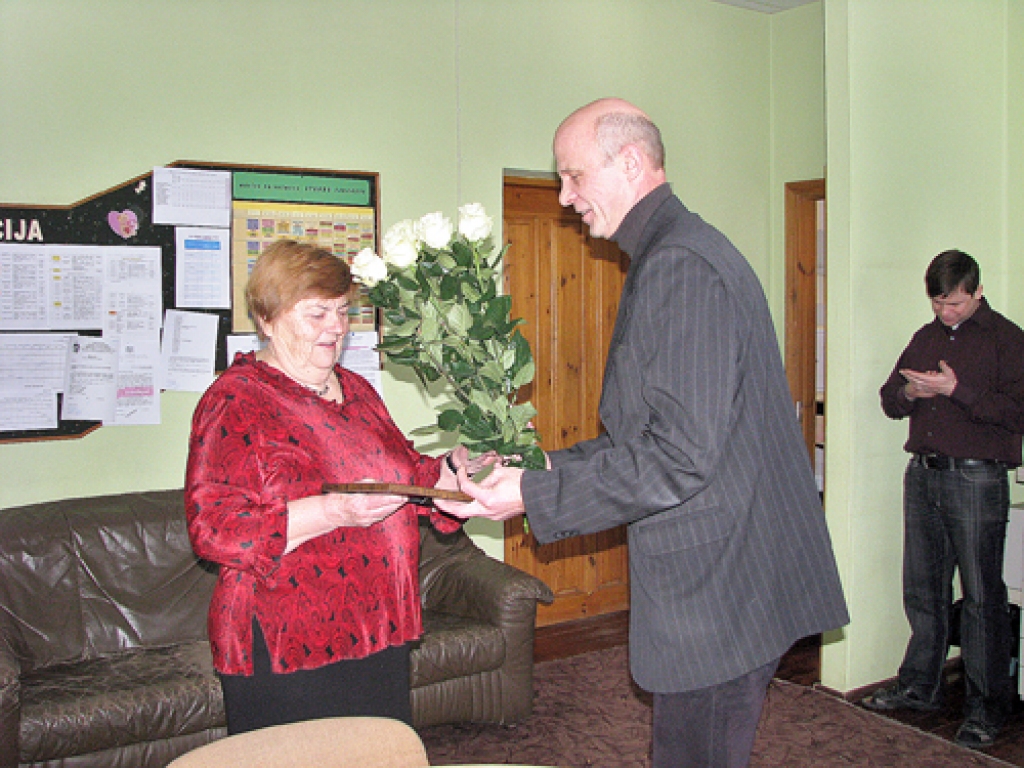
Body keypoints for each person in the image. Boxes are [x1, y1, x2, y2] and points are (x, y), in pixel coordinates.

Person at [437, 98, 849, 768]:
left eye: (573, 176)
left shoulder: (682, 265)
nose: (567, 198)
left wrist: (533, 497)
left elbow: (678, 458)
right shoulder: (671, 254)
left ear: (629, 161)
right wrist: (529, 465)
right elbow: (648, 435)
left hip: (720, 595)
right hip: (725, 584)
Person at [185, 239, 490, 734]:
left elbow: (404, 473)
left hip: (378, 624)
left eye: (344, 311)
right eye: (317, 313)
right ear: (267, 318)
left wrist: (450, 473)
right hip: (288, 641)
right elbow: (213, 528)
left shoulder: (358, 389)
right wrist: (333, 512)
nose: (337, 327)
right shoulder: (237, 400)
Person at [867, 249, 1024, 749]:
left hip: (977, 481)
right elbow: (889, 398)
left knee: (981, 599)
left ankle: (985, 708)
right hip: (924, 476)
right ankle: (919, 687)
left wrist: (958, 390)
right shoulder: (925, 337)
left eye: (954, 303)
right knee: (923, 589)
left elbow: (1017, 415)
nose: (945, 313)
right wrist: (911, 395)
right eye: (938, 303)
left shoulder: (1007, 340)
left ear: (977, 291)